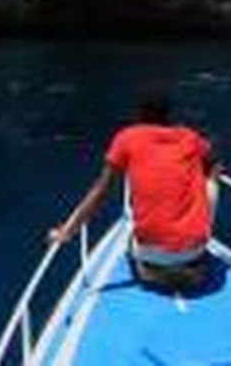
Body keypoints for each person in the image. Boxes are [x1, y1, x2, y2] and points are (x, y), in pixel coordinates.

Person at [49, 92, 221, 289]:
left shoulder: (127, 138)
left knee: (133, 240)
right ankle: (195, 248)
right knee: (211, 181)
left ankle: (154, 266)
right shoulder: (191, 138)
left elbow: (100, 191)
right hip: (194, 252)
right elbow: (215, 167)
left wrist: (67, 231)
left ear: (140, 114)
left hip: (150, 257)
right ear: (168, 114)